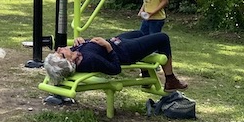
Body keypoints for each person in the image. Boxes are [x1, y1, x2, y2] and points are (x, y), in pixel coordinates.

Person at [43, 30, 188, 92]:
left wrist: (81, 42)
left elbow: (90, 46)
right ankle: (170, 79)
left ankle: (146, 75)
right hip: (124, 51)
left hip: (117, 41)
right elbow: (115, 68)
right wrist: (108, 47)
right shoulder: (89, 61)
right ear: (68, 62)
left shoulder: (76, 54)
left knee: (140, 33)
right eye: (60, 53)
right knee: (163, 38)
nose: (60, 49)